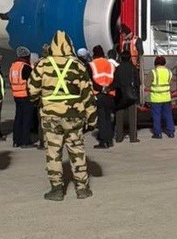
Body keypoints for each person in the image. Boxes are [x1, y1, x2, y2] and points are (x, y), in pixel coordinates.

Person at [28, 30, 97, 201]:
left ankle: (56, 189)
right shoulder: (78, 65)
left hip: (50, 117)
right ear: (70, 46)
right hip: (74, 117)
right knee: (77, 151)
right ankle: (82, 189)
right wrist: (92, 119)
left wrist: (40, 103)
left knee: (53, 152)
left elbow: (32, 91)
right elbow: (88, 95)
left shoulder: (43, 65)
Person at [90, 45, 117, 148]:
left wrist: (101, 89)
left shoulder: (92, 65)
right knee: (108, 117)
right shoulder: (111, 65)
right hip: (110, 95)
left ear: (94, 54)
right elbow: (115, 80)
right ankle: (109, 140)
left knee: (101, 119)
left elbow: (91, 81)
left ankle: (103, 141)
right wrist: (108, 88)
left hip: (98, 94)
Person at [114, 50, 140, 143]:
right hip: (131, 95)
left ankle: (119, 137)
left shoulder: (118, 68)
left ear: (121, 58)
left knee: (119, 117)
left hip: (120, 95)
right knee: (132, 117)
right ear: (129, 58)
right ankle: (133, 138)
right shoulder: (133, 68)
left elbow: (115, 82)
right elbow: (137, 82)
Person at [9, 46, 33, 148]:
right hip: (25, 95)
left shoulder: (13, 66)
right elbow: (32, 81)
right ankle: (25, 141)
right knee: (26, 119)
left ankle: (16, 140)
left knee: (18, 118)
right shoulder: (26, 67)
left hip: (16, 95)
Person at [149, 56, 175, 139]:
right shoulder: (169, 72)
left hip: (156, 98)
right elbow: (170, 83)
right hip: (166, 97)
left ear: (155, 63)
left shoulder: (153, 72)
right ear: (164, 63)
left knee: (157, 116)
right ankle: (171, 132)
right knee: (168, 115)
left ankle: (158, 133)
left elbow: (147, 83)